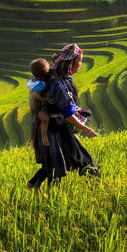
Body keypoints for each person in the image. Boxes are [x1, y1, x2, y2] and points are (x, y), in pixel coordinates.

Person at [43, 43, 101, 183]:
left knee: (56, 170)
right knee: (86, 164)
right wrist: (85, 128)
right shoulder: (61, 84)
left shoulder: (55, 77)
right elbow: (68, 113)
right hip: (58, 130)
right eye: (79, 60)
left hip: (54, 128)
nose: (81, 64)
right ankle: (96, 188)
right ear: (70, 63)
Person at [26, 57, 52, 192]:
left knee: (49, 163)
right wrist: (47, 97)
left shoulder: (37, 82)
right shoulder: (39, 86)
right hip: (39, 113)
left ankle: (36, 185)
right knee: (45, 119)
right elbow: (37, 95)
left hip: (37, 112)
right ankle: (33, 184)